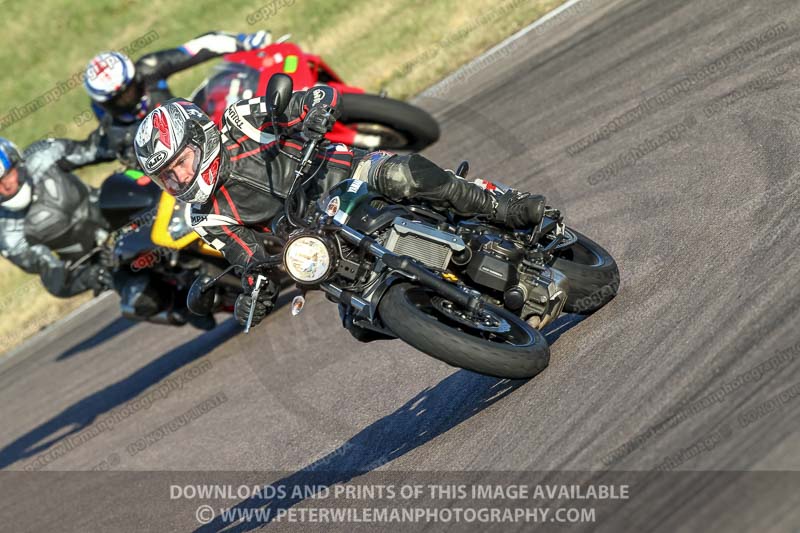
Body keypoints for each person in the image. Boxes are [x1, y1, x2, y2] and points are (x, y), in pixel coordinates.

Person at [133, 91, 546, 329]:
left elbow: (316, 96)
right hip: (319, 236)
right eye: (166, 176)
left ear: (200, 137)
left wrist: (316, 113)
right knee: (359, 322)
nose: (178, 178)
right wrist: (254, 292)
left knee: (403, 175)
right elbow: (249, 258)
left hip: (349, 175)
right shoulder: (205, 216)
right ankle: (460, 322)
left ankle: (504, 206)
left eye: (180, 163)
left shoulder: (241, 121)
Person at [82, 30, 270, 165]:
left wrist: (245, 42)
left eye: (128, 92)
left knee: (224, 84)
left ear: (136, 79)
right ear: (104, 104)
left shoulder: (148, 68)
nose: (126, 101)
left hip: (192, 124)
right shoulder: (108, 122)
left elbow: (199, 47)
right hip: (171, 168)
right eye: (118, 100)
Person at [0, 136, 115, 297]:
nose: (5, 185)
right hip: (91, 261)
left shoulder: (43, 156)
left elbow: (94, 149)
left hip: (119, 215)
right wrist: (90, 276)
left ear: (17, 163)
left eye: (7, 175)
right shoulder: (6, 232)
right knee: (56, 284)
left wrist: (122, 139)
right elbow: (50, 271)